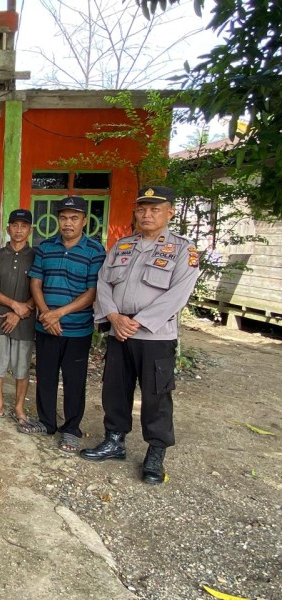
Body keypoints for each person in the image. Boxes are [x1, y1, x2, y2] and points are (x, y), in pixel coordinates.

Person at [81, 186, 200, 484]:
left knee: (156, 396)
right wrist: (113, 317)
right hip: (120, 332)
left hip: (155, 335)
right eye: (142, 209)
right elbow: (103, 283)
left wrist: (140, 321)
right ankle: (115, 441)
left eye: (154, 209)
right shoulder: (122, 246)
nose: (147, 214)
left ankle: (155, 454)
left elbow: (179, 293)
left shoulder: (183, 249)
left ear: (169, 213)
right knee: (115, 389)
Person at [25, 196, 106, 453]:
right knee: (45, 377)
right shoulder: (46, 247)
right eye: (63, 217)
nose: (68, 223)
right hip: (46, 326)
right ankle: (47, 422)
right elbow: (36, 283)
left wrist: (58, 314)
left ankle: (71, 429)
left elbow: (92, 292)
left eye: (73, 218)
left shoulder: (95, 251)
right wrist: (46, 314)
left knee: (74, 380)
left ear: (84, 221)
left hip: (78, 329)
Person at [0, 209, 36, 425]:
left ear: (30, 230)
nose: (19, 230)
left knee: (22, 366)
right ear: (8, 229)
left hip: (25, 320)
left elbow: (40, 289)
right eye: (15, 225)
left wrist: (21, 311)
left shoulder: (37, 256)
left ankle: (19, 408)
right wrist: (13, 305)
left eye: (24, 226)